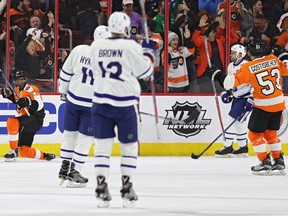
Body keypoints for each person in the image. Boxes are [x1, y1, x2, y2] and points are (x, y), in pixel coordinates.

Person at [90, 11, 154, 208]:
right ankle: (127, 187)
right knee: (129, 147)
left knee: (102, 147)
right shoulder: (130, 46)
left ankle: (101, 187)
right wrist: (149, 53)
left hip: (100, 101)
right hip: (124, 103)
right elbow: (145, 72)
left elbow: (96, 70)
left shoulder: (96, 46)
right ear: (125, 28)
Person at [211, 39, 287, 175]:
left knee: (254, 135)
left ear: (249, 53)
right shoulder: (273, 59)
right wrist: (283, 56)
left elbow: (230, 83)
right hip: (279, 104)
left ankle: (264, 162)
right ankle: (278, 160)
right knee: (271, 133)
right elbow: (286, 69)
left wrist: (219, 76)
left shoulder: (248, 67)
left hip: (263, 105)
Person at [57, 25, 111, 188]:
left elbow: (65, 74)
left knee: (69, 135)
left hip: (73, 101)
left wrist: (63, 92)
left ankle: (65, 169)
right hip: (91, 106)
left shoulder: (80, 50)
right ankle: (75, 172)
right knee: (85, 139)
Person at [1, 69, 55, 162]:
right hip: (27, 121)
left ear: (25, 79)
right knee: (24, 151)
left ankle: (13, 150)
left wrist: (28, 102)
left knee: (12, 122)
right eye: (17, 80)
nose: (19, 82)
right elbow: (18, 101)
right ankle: (45, 156)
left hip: (35, 119)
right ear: (14, 81)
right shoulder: (16, 89)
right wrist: (9, 95)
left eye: (21, 80)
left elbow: (39, 105)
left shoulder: (31, 89)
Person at [214, 43, 251, 157]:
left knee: (230, 121)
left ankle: (228, 146)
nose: (231, 55)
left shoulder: (247, 65)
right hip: (237, 98)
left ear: (240, 55)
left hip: (245, 99)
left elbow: (252, 83)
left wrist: (251, 99)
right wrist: (228, 93)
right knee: (239, 124)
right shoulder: (230, 66)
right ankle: (243, 148)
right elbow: (231, 83)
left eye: (234, 53)